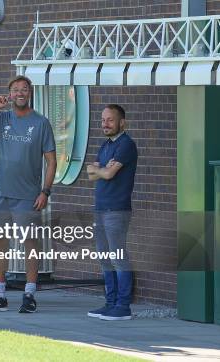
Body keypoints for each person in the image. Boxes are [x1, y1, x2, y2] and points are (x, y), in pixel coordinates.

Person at [0, 76, 56, 313]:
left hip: (28, 195)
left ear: (30, 93)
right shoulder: (1, 118)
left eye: (24, 89)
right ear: (9, 94)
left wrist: (45, 191)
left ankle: (29, 294)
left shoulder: (41, 123)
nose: (20, 93)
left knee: (30, 243)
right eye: (16, 90)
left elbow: (51, 162)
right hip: (1, 194)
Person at [86, 104, 137, 321]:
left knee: (118, 257)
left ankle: (123, 306)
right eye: (103, 120)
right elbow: (91, 174)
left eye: (110, 120)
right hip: (100, 208)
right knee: (105, 257)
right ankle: (110, 303)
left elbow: (107, 174)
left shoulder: (126, 145)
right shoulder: (106, 145)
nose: (105, 124)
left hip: (117, 209)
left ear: (122, 122)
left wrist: (101, 170)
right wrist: (101, 169)